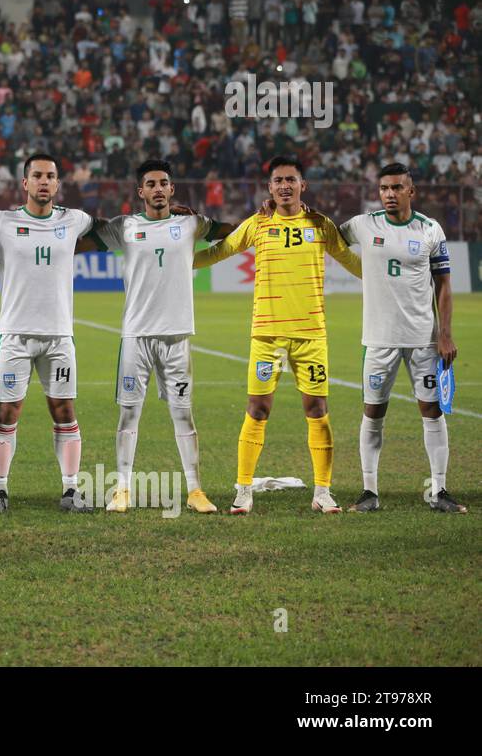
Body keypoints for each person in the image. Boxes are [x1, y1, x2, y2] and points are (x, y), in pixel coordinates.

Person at [194, 155, 362, 515]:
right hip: (267, 335)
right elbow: (221, 250)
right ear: (269, 188)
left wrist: (390, 279)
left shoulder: (321, 224)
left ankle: (322, 491)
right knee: (257, 409)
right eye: (278, 181)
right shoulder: (258, 223)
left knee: (317, 410)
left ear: (303, 185)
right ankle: (243, 490)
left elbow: (349, 260)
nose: (285, 186)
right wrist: (176, 259)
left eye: (291, 180)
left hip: (311, 335)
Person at [79, 160, 233, 514]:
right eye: (152, 184)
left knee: (183, 413)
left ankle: (195, 491)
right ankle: (122, 489)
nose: (159, 189)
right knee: (129, 414)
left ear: (172, 188)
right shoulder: (125, 227)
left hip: (177, 337)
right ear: (141, 192)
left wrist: (261, 221)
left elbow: (228, 231)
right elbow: (83, 240)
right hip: (136, 337)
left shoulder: (191, 223)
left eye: (164, 182)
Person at [0, 153, 99, 514]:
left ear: (58, 184)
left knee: (64, 409)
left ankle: (71, 490)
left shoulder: (74, 220)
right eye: (37, 176)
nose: (44, 182)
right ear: (24, 183)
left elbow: (109, 230)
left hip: (59, 336)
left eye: (51, 176)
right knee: (7, 411)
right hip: (14, 334)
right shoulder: (1, 221)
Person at [339, 163, 464, 513]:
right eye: (383, 188)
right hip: (379, 339)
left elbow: (444, 285)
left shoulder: (429, 229)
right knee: (373, 411)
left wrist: (445, 334)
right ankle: (369, 491)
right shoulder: (364, 224)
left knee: (432, 410)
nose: (389, 194)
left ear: (412, 191)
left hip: (423, 339)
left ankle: (439, 491)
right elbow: (327, 234)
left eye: (396, 188)